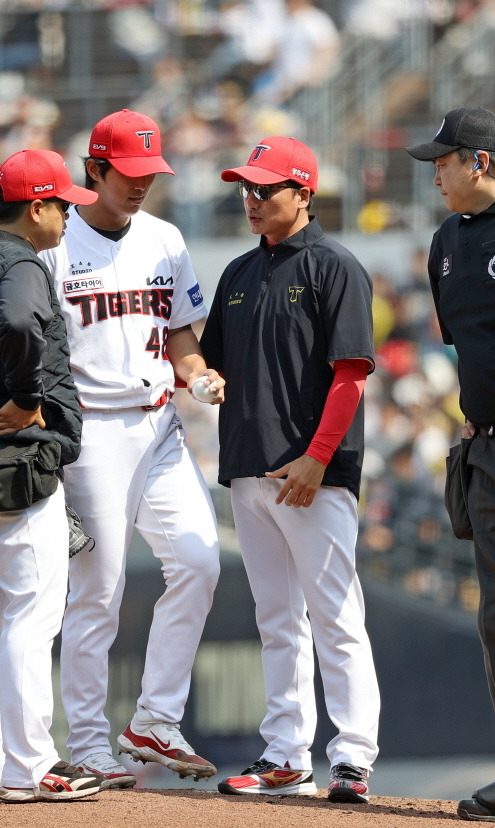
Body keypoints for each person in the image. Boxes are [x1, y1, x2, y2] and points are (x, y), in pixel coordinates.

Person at [41, 108, 223, 788]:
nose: (143, 182)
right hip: (91, 434)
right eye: (130, 171)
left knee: (201, 563)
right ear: (95, 169)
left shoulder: (164, 238)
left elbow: (180, 332)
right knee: (99, 591)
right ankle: (87, 742)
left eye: (152, 170)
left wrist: (198, 373)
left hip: (158, 425)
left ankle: (153, 719)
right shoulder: (55, 244)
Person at [199, 136, 380, 803]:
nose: (250, 200)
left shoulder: (335, 266)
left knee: (334, 615)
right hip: (248, 469)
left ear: (302, 193)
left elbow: (350, 374)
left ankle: (354, 757)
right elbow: (210, 359)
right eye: (244, 188)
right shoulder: (239, 274)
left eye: (264, 189)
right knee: (276, 618)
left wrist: (318, 456)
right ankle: (285, 756)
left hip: (314, 474)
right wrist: (199, 378)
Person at [0, 148, 105, 803]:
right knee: (30, 616)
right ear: (35, 206)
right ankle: (30, 765)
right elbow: (17, 322)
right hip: (18, 460)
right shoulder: (20, 263)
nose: (70, 214)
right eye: (63, 203)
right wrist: (23, 396)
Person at [406, 106, 495, 823]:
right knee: (494, 617)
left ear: (481, 161)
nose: (433, 172)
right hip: (487, 447)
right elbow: (462, 344)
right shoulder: (444, 243)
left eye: (444, 160)